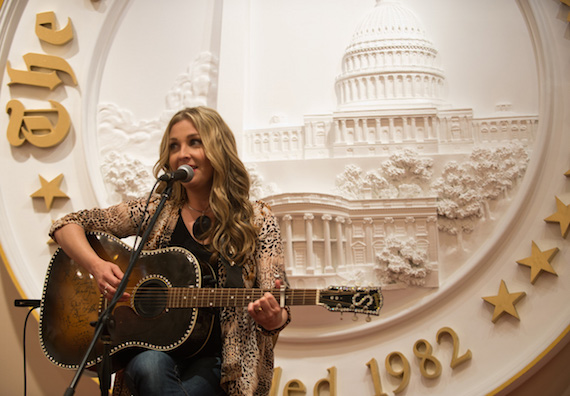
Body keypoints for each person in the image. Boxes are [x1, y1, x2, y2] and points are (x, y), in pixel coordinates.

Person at [50, 106, 290, 396]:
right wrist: (96, 266)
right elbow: (66, 225)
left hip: (222, 363)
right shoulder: (157, 210)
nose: (182, 153)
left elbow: (277, 301)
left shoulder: (256, 219)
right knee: (150, 365)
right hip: (152, 350)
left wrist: (273, 319)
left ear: (219, 149)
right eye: (174, 146)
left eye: (194, 142)